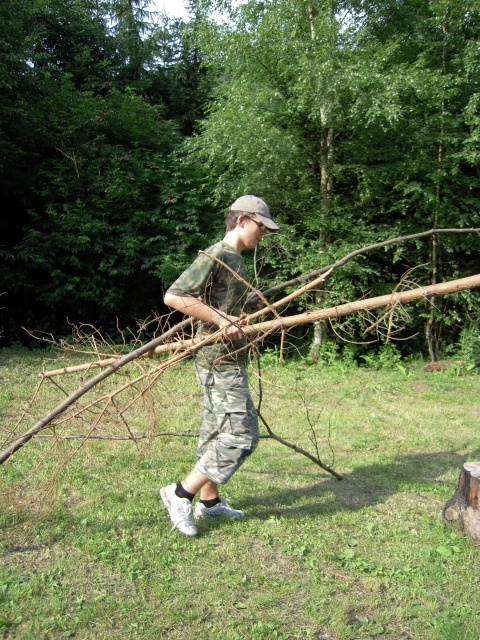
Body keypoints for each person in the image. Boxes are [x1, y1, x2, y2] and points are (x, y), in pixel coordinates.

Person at [160, 195, 279, 536]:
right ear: (242, 220)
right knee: (241, 436)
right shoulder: (218, 254)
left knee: (215, 432)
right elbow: (175, 296)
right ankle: (179, 494)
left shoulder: (236, 259)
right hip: (218, 361)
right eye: (261, 226)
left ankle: (209, 503)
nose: (263, 234)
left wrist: (244, 302)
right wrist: (222, 319)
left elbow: (221, 303)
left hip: (228, 358)